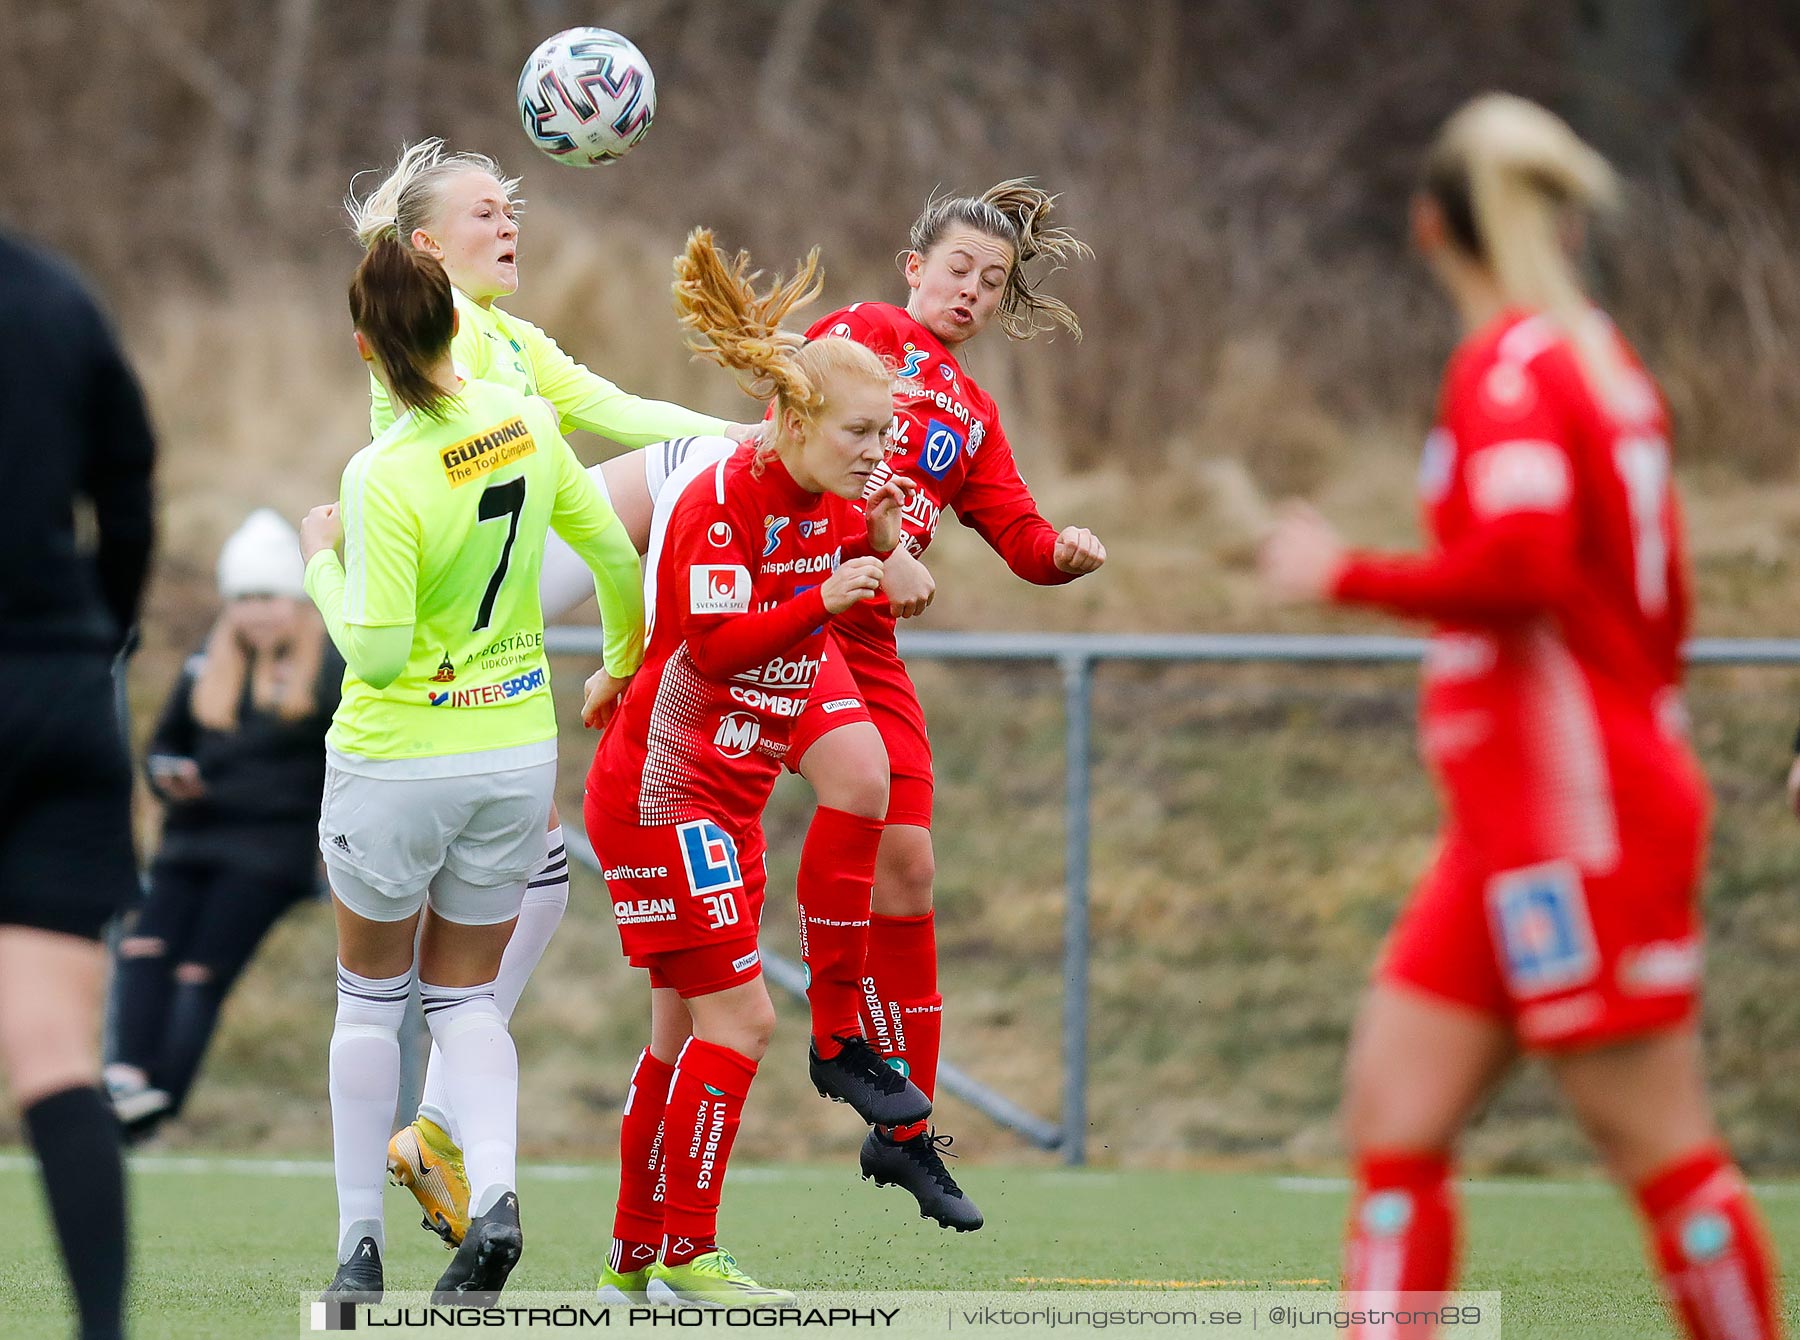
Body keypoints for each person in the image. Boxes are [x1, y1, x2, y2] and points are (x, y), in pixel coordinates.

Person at [1260, 94, 1780, 1340]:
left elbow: (1526, 560)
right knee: (1396, 1108)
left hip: (1578, 813)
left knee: (1652, 1138)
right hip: (1515, 820)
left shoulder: (1511, 368)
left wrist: (1346, 573)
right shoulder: (1592, 355)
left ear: (1429, 226)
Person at [343, 139, 764, 1250]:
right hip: (460, 621)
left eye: (514, 205)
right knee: (687, 479)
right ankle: (736, 677)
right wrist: (764, 454)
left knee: (541, 869)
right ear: (428, 245)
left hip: (486, 649)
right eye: (485, 210)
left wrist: (752, 435)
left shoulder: (513, 339)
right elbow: (550, 461)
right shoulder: (448, 338)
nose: (509, 221)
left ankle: (433, 1123)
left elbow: (617, 405)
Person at [302, 231, 645, 1304]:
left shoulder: (381, 473)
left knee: (369, 1001)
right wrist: (621, 664)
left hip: (397, 760)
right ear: (461, 325)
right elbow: (616, 558)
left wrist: (321, 558)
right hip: (510, 751)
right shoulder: (532, 425)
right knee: (465, 1004)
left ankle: (360, 1248)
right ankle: (494, 1192)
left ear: (366, 349)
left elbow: (376, 652)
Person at [585, 229, 917, 1306]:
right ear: (794, 418)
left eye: (886, 432)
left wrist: (886, 547)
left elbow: (887, 566)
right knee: (744, 1022)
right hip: (665, 795)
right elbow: (711, 645)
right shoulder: (723, 499)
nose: (877, 449)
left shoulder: (830, 503)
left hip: (718, 800)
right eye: (861, 431)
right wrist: (824, 598)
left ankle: (635, 1258)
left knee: (678, 1032)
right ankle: (691, 1252)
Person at [788, 180, 1107, 1229]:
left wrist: (1060, 551)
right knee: (857, 792)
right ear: (912, 265)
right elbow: (792, 430)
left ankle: (908, 1136)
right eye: (958, 267)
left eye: (994, 281)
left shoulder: (973, 411)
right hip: (799, 596)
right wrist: (878, 540)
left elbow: (1014, 531)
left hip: (870, 632)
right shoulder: (860, 334)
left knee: (913, 861)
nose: (971, 290)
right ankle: (837, 1036)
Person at [0, 229, 155, 1340]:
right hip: (57, 690)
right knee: (53, 1054)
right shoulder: (58, 296)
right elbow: (131, 494)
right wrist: (96, 635)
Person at [105, 510, 342, 1136]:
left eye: (268, 597)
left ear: (296, 600)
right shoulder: (203, 667)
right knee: (142, 947)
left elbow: (336, 763)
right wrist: (168, 776)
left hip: (269, 850)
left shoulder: (330, 668)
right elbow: (161, 748)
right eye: (243, 599)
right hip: (191, 839)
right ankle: (126, 1078)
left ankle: (156, 1102)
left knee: (199, 969)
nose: (256, 612)